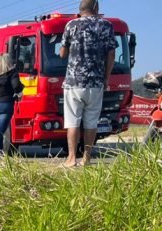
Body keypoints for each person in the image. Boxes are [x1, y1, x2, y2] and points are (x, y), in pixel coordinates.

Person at [59, 0, 117, 167]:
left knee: (72, 121)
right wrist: (106, 78)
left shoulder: (71, 25)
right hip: (96, 82)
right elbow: (111, 53)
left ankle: (71, 158)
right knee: (91, 122)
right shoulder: (107, 26)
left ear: (80, 9)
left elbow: (63, 53)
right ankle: (87, 158)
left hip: (73, 82)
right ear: (96, 8)